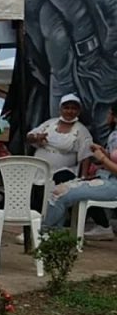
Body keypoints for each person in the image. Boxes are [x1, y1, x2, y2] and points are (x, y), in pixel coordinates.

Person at [42, 102, 117, 239]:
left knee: (59, 194)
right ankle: (53, 236)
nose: (107, 115)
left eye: (110, 112)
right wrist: (103, 153)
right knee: (59, 190)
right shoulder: (114, 135)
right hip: (105, 178)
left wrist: (104, 160)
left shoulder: (81, 129)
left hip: (113, 185)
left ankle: (45, 233)